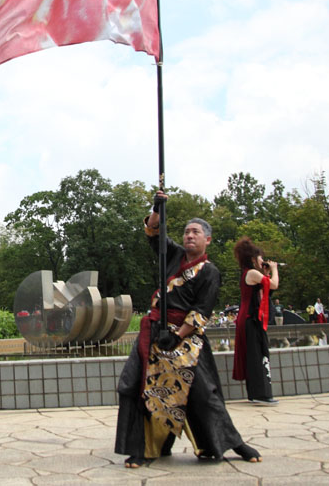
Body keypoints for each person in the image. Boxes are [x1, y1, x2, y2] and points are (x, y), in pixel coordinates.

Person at [115, 191, 261, 468]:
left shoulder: (210, 271)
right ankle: (143, 448)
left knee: (204, 394)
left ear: (207, 239)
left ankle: (231, 442)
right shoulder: (174, 255)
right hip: (154, 331)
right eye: (186, 232)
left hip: (185, 339)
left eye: (195, 232)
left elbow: (202, 310)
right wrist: (157, 206)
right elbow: (153, 232)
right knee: (133, 386)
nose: (189, 236)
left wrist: (178, 335)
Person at [232, 237, 279, 404]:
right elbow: (273, 285)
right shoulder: (251, 273)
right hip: (250, 319)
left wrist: (265, 273)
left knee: (256, 355)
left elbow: (265, 290)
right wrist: (274, 269)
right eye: (260, 257)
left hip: (250, 319)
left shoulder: (250, 273)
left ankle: (257, 393)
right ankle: (261, 394)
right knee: (256, 355)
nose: (263, 260)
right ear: (253, 258)